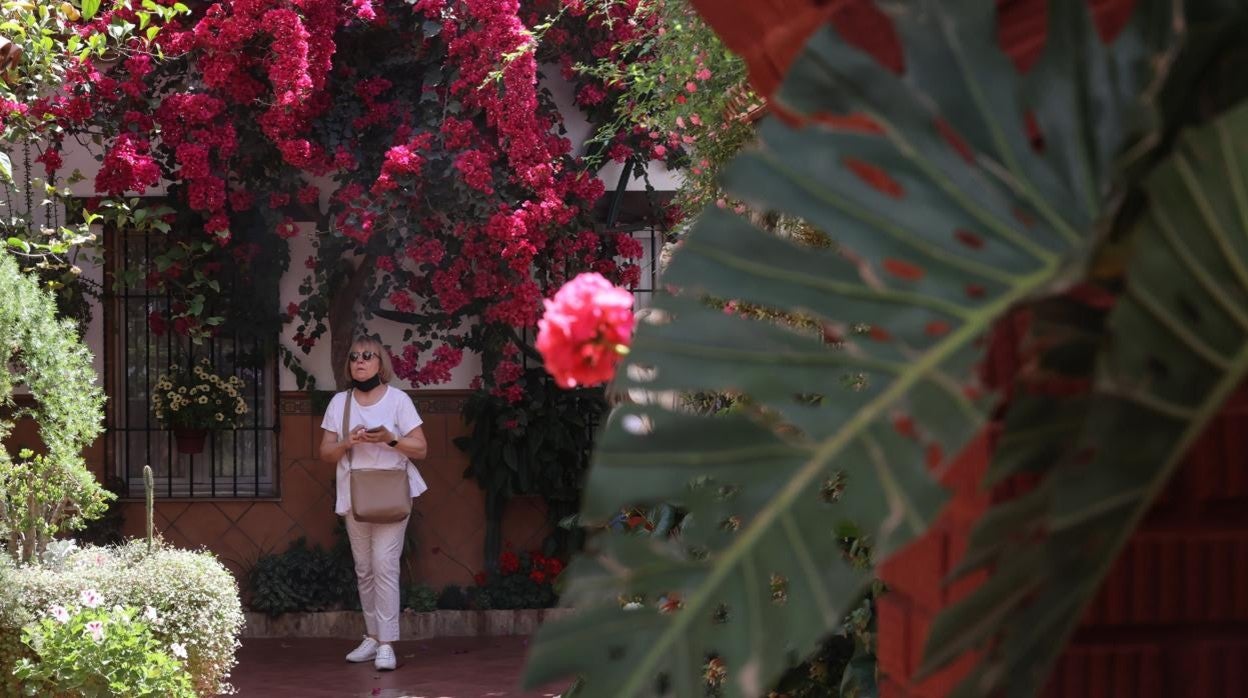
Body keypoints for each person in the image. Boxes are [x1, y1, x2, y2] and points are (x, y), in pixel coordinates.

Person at [319, 335, 428, 671]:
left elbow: (421, 449)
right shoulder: (340, 403)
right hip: (355, 492)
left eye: (368, 356)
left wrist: (390, 438)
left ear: (381, 363)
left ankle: (387, 643)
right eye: (354, 357)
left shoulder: (398, 400)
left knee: (384, 565)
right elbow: (325, 452)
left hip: (392, 491)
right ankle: (371, 635)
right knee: (364, 569)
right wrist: (347, 442)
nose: (360, 361)